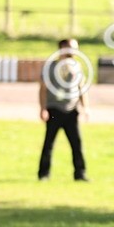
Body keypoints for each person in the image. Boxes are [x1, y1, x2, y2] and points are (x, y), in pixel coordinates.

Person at [37, 38, 88, 181]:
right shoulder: (50, 67)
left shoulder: (77, 66)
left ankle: (80, 174)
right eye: (72, 48)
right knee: (49, 144)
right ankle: (44, 174)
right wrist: (43, 109)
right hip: (54, 109)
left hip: (72, 110)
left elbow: (82, 88)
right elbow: (42, 89)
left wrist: (85, 108)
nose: (75, 52)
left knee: (77, 144)